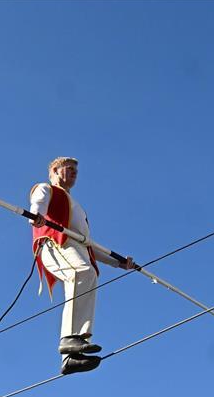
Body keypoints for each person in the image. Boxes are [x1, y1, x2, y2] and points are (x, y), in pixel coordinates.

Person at [29, 157, 135, 375]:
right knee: (81, 272)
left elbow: (88, 245)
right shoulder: (47, 188)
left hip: (75, 247)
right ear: (55, 171)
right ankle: (69, 338)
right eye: (69, 169)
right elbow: (38, 201)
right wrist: (36, 215)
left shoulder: (77, 207)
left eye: (76, 170)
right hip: (55, 243)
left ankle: (71, 355)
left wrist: (119, 263)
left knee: (90, 275)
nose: (74, 173)